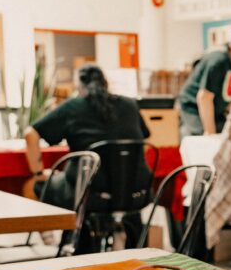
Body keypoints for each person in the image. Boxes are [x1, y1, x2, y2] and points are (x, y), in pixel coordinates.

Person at [25, 63, 151, 252]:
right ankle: (118, 225)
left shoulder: (73, 107)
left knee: (32, 186)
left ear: (79, 85)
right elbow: (146, 140)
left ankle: (50, 242)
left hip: (87, 194)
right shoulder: (129, 104)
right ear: (105, 82)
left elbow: (30, 134)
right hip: (134, 194)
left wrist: (38, 172)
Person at [178, 32, 231, 137]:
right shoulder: (219, 61)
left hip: (215, 108)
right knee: (205, 139)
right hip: (194, 107)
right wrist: (210, 133)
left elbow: (226, 95)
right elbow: (204, 97)